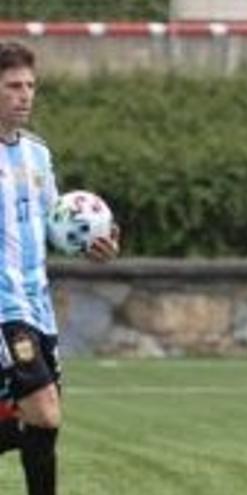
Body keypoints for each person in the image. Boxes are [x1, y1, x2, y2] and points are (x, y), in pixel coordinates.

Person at [0, 42, 120, 495]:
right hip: (4, 308)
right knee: (44, 410)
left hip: (39, 307)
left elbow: (57, 223)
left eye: (30, 86)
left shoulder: (37, 154)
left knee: (42, 424)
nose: (24, 95)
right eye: (13, 86)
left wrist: (95, 242)